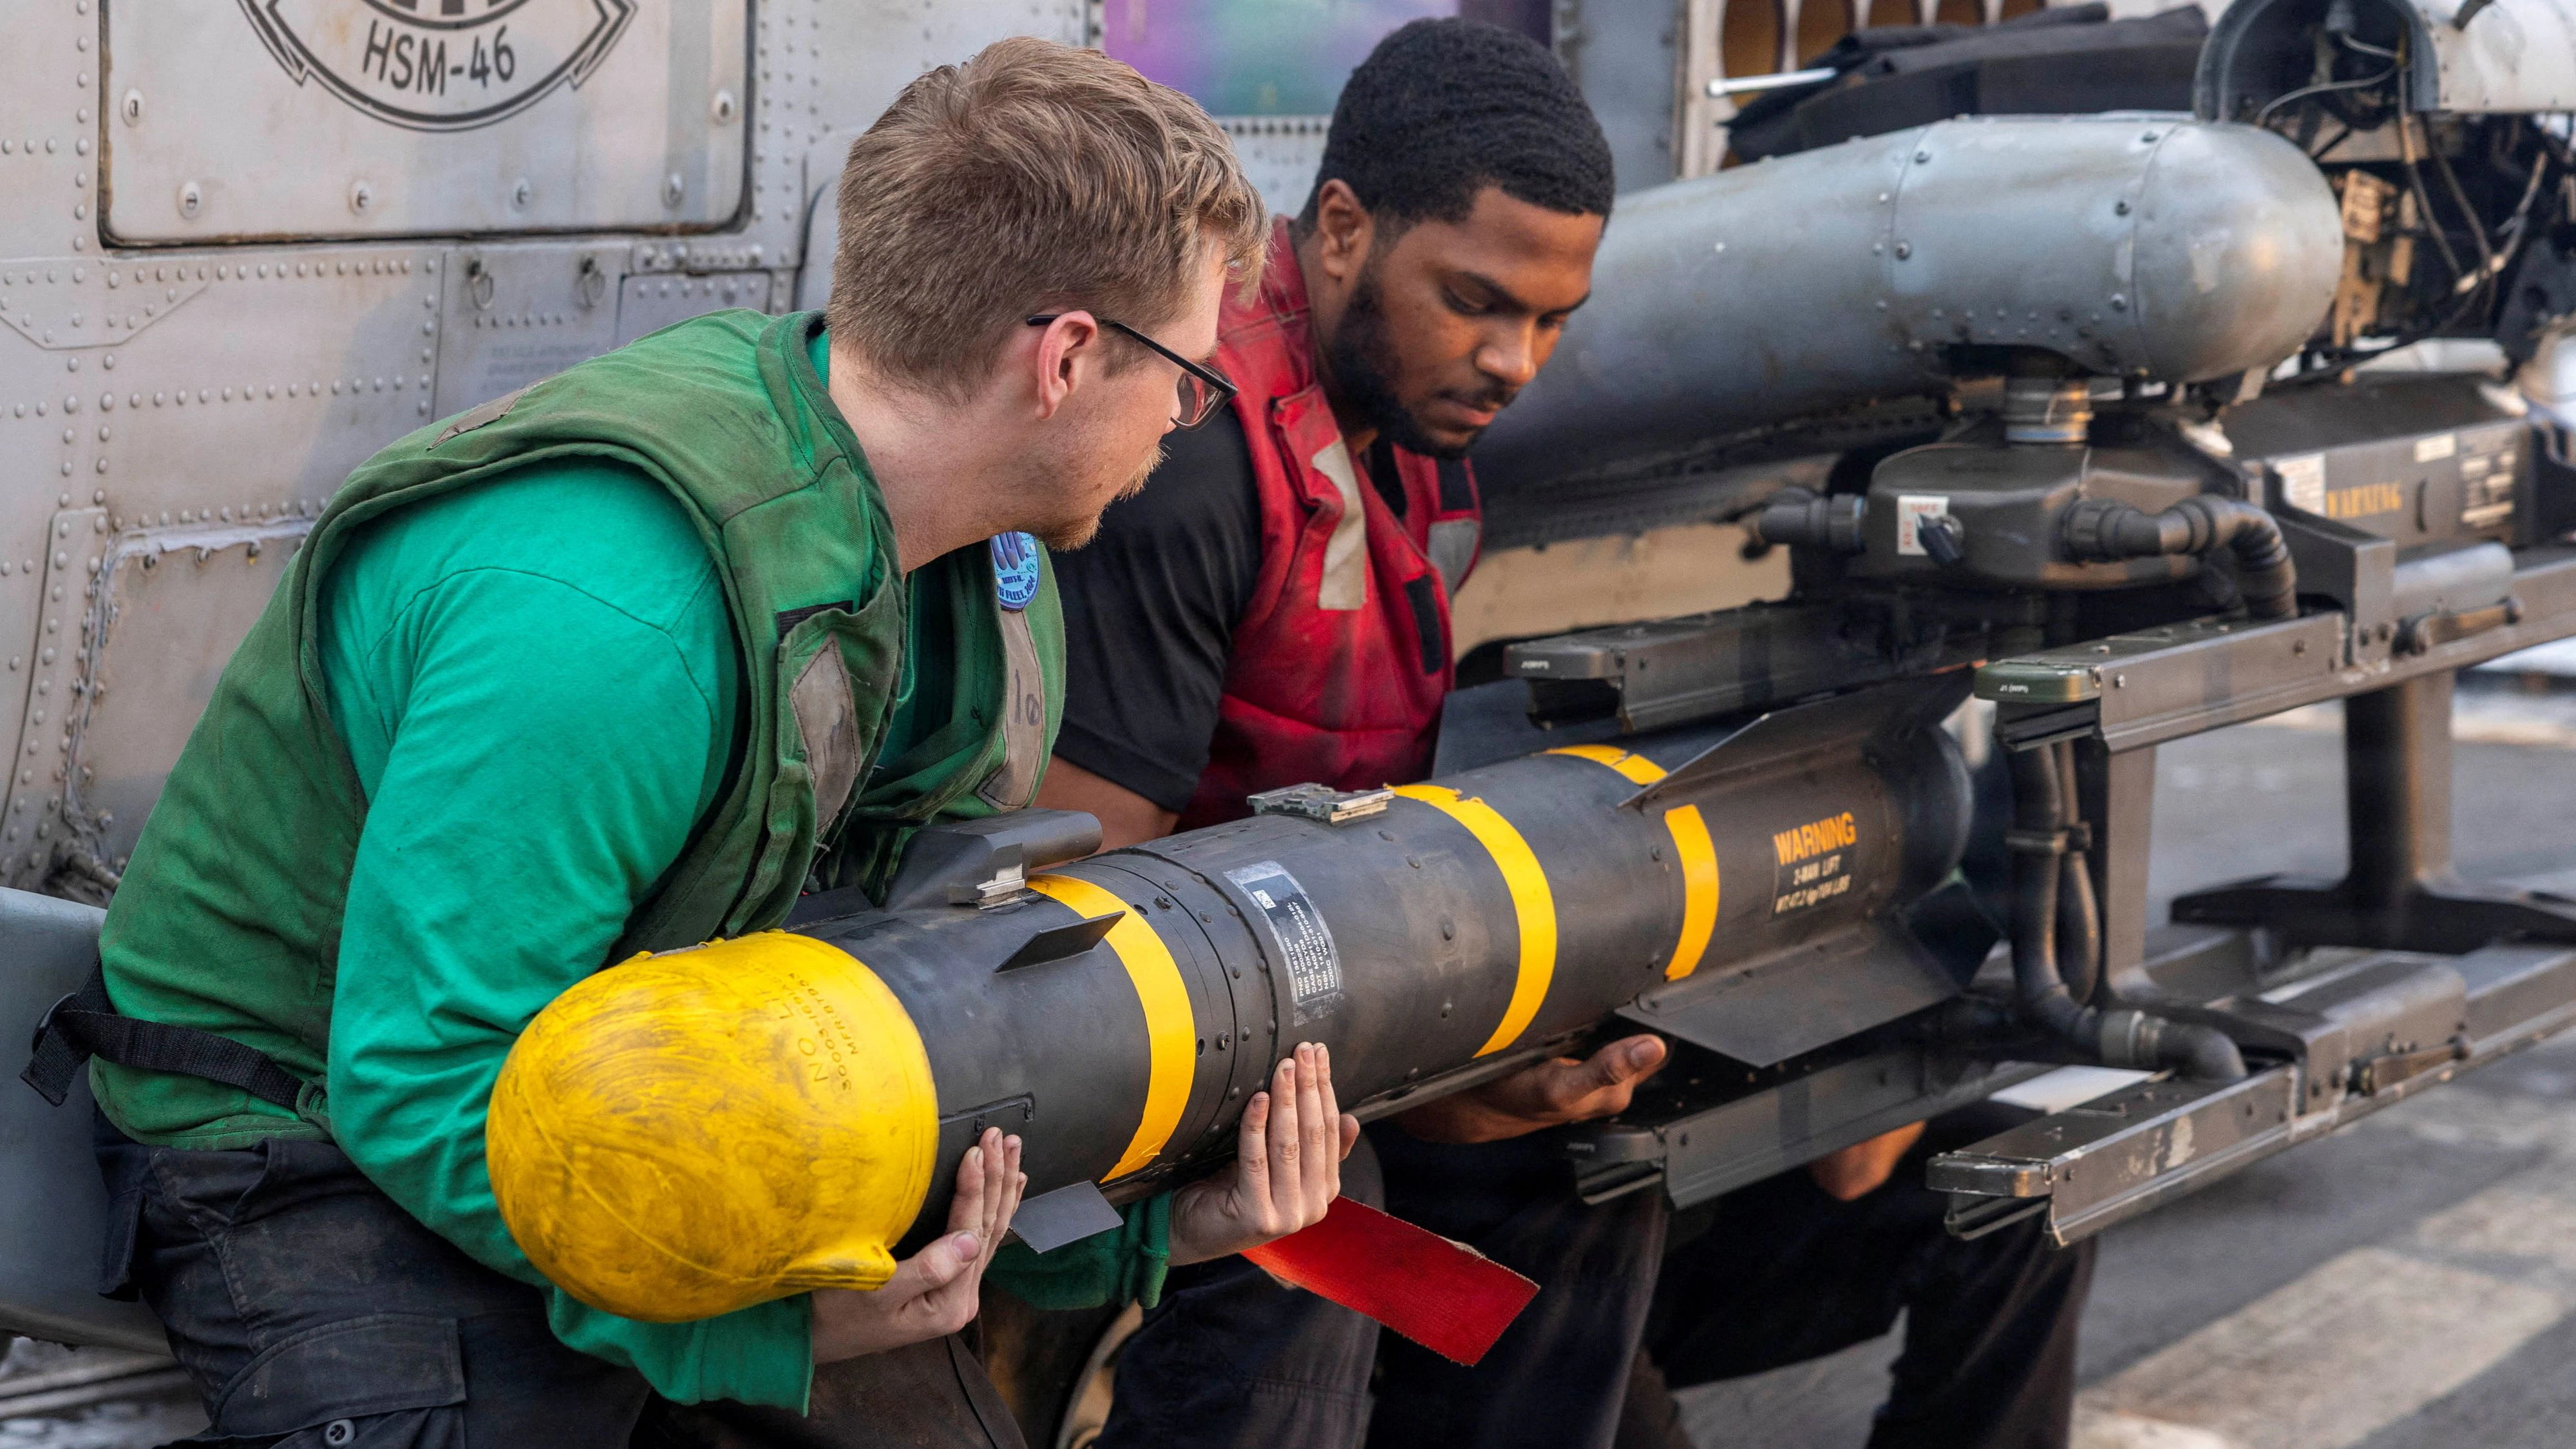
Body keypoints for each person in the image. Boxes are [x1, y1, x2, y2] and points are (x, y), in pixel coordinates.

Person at [36, 39, 1352, 1449]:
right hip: (321, 1142)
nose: (1183, 422)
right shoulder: (616, 614)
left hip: (670, 1081)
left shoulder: (982, 578)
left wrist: (1157, 1226)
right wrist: (749, 1329)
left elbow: (932, 996)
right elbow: (420, 1078)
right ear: (1068, 355)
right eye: (1185, 380)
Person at [1032, 18, 2095, 1449]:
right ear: (1338, 227)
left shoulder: (1411, 449)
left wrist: (1473, 1080)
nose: (1514, 362)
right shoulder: (1200, 456)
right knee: (1525, 1222)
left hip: (1338, 1055)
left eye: (1547, 322)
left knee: (1623, 1168)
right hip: (1205, 1136)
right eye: (1474, 301)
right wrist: (1426, 1107)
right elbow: (1080, 953)